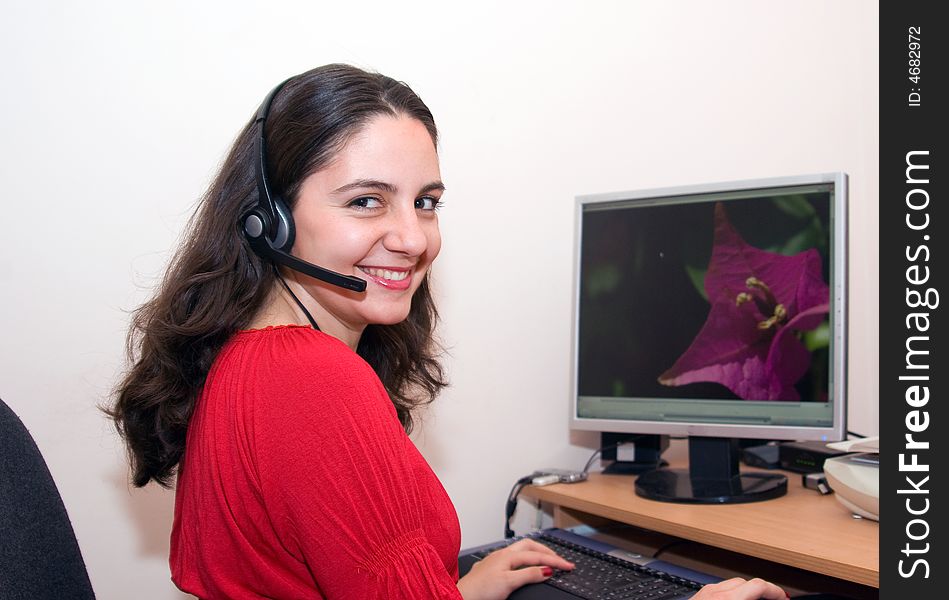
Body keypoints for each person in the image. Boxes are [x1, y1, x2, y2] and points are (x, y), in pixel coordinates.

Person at [109, 64, 787, 600]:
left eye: (426, 202)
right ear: (270, 220)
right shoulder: (311, 379)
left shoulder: (244, 360)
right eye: (365, 201)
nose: (411, 237)